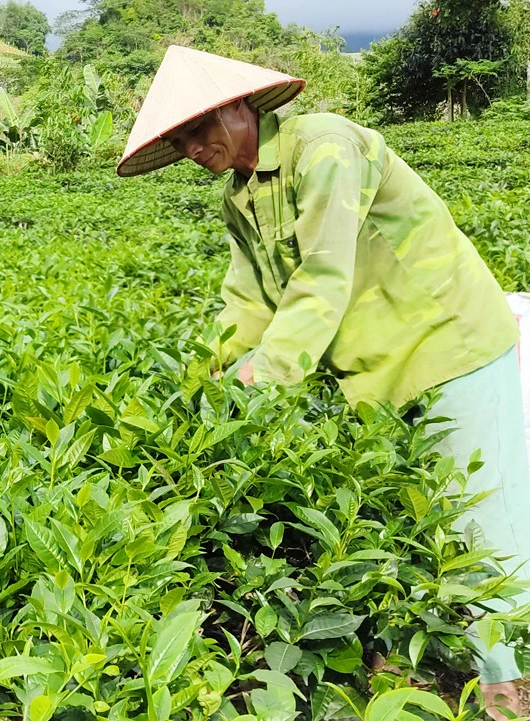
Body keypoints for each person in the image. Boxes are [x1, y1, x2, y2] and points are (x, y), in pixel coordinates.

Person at [117, 45, 530, 717]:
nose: (191, 146)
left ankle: (511, 692)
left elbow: (322, 278)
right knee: (418, 528)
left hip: (447, 345)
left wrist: (267, 374)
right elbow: (246, 303)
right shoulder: (241, 196)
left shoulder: (326, 148)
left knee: (487, 534)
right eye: (177, 138)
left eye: (197, 128)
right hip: (373, 377)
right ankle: (434, 673)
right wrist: (199, 378)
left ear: (237, 105)